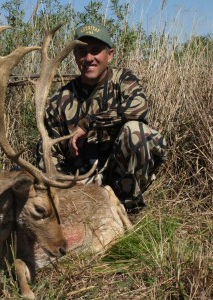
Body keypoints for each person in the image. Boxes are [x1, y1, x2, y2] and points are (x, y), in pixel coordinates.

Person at [37, 23, 167, 212]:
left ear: (110, 55)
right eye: (82, 51)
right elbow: (49, 152)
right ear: (75, 56)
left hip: (119, 175)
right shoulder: (59, 100)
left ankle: (129, 209)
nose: (89, 58)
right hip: (79, 183)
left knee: (136, 131)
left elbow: (138, 110)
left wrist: (88, 124)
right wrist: (66, 185)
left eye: (96, 51)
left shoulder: (124, 80)